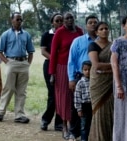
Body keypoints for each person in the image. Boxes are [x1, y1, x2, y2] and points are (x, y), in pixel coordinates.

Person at [49, 12, 83, 140]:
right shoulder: (59, 32)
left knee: (76, 96)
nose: (69, 20)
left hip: (77, 67)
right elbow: (53, 54)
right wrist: (52, 74)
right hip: (62, 67)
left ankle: (76, 126)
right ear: (63, 21)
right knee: (64, 97)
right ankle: (64, 125)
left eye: (71, 18)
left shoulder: (79, 31)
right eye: (66, 18)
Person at [0, 12, 35, 124]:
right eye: (17, 19)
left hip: (23, 63)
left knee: (21, 91)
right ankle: (1, 112)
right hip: (11, 62)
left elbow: (31, 51)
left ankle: (19, 115)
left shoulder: (26, 35)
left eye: (21, 20)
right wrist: (7, 62)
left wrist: (28, 64)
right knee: (8, 88)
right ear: (11, 20)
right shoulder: (5, 34)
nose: (19, 21)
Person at [67, 15, 98, 141]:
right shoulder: (78, 41)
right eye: (90, 22)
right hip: (80, 77)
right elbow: (71, 61)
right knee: (77, 106)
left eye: (95, 22)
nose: (93, 24)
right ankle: (73, 133)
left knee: (93, 106)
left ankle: (91, 133)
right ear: (86, 25)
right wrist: (71, 79)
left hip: (97, 77)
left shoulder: (101, 41)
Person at [88, 21, 113, 141]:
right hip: (98, 83)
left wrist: (111, 67)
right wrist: (114, 65)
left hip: (111, 83)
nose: (104, 31)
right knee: (99, 111)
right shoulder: (93, 45)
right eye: (101, 29)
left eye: (106, 28)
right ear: (97, 32)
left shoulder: (113, 45)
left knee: (111, 111)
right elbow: (96, 65)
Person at [40, 13, 63, 131]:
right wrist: (55, 60)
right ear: (52, 23)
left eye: (61, 21)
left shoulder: (65, 34)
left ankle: (59, 122)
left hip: (63, 67)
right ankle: (45, 119)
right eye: (57, 21)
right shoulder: (47, 35)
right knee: (53, 94)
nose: (60, 23)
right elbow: (43, 51)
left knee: (61, 94)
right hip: (50, 65)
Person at [73, 61, 92, 141]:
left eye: (89, 69)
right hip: (84, 106)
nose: (87, 71)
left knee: (91, 124)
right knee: (84, 125)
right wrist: (79, 109)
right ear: (82, 70)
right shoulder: (80, 83)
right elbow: (77, 97)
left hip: (93, 106)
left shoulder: (94, 81)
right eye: (85, 69)